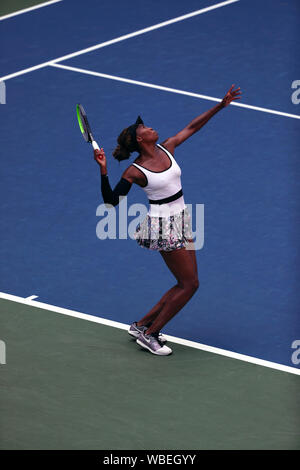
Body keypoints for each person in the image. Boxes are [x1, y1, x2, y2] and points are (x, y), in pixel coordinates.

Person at [94, 85, 242, 356]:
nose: (151, 129)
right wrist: (103, 170)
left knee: (184, 282)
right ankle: (150, 335)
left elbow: (192, 128)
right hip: (163, 226)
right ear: (141, 141)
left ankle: (141, 325)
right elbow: (111, 202)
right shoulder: (134, 171)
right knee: (190, 285)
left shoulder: (168, 148)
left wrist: (220, 106)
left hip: (181, 219)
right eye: (145, 130)